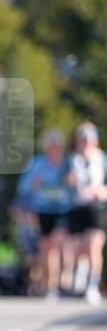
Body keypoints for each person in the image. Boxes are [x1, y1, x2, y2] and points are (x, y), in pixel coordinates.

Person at [16, 130, 72, 298]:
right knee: (47, 249)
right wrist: (34, 184)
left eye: (57, 146)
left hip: (62, 210)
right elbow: (23, 186)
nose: (54, 149)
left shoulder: (67, 163)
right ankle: (50, 286)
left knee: (58, 244)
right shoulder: (38, 163)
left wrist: (71, 181)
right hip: (42, 210)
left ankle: (64, 280)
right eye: (51, 146)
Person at [67, 122, 106, 305]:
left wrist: (101, 191)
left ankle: (92, 285)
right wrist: (68, 180)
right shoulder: (71, 160)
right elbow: (59, 185)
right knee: (79, 249)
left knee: (94, 246)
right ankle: (81, 272)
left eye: (88, 139)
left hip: (97, 208)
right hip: (77, 208)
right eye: (82, 140)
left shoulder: (102, 160)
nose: (85, 143)